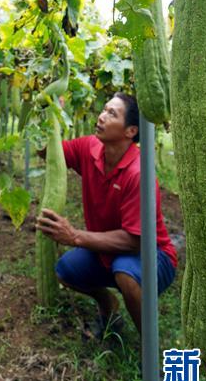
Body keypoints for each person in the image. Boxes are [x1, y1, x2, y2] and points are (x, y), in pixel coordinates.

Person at [36, 92, 177, 340]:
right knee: (66, 270)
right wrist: (50, 117)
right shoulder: (90, 147)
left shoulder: (138, 173)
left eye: (112, 113)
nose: (101, 116)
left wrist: (74, 236)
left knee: (125, 273)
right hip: (110, 251)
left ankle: (149, 346)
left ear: (131, 131)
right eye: (104, 109)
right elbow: (47, 153)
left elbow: (134, 241)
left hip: (153, 255)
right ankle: (108, 305)